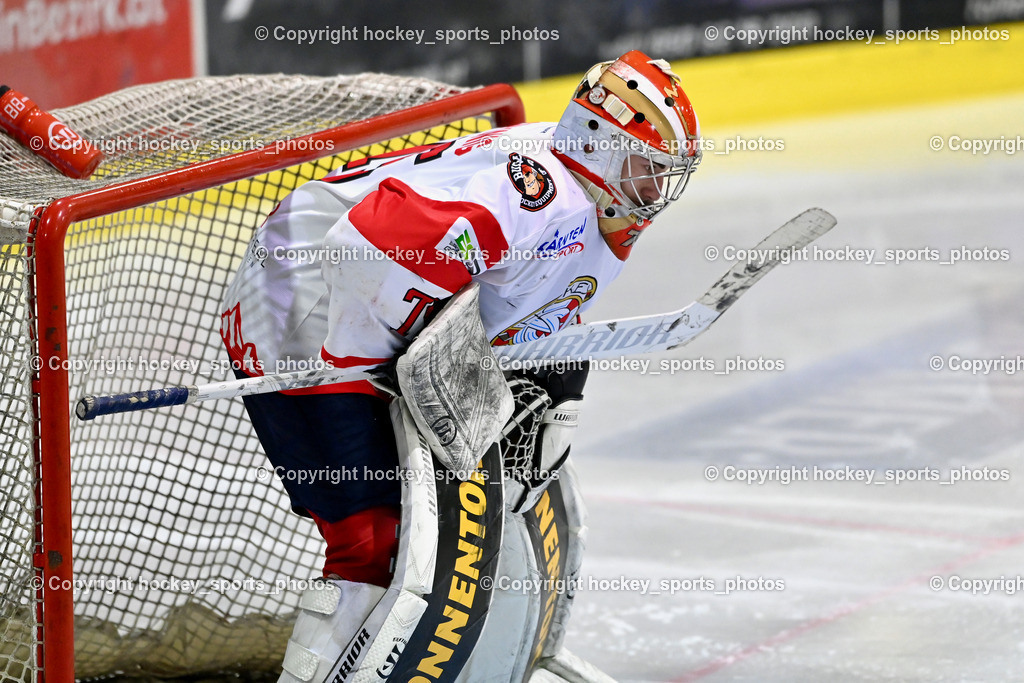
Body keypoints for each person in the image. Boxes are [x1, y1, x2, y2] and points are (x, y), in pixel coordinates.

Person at [219, 49, 701, 682]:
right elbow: (363, 249)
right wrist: (398, 383)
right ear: (600, 146)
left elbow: (524, 294)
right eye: (645, 167)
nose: (655, 187)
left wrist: (552, 378)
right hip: (299, 295)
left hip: (358, 286)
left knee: (437, 516)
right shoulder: (540, 200)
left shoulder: (586, 196)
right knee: (373, 543)